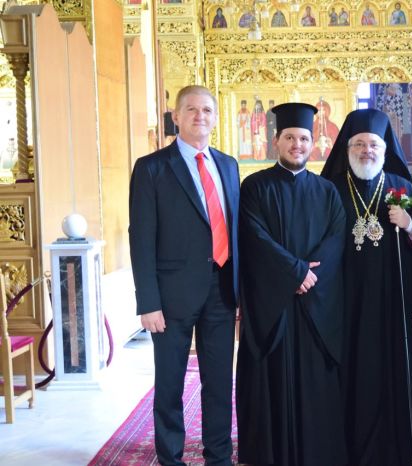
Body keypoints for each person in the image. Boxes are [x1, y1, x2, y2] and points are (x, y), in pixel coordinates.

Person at [321, 109, 412, 466]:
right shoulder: (331, 189)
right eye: (359, 144)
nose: (366, 150)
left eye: (373, 144)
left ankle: (396, 444)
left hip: (392, 301)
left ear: (385, 149)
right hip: (345, 301)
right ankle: (345, 446)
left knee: (391, 370)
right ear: (347, 149)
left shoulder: (400, 188)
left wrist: (410, 223)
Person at [129, 85, 240, 466]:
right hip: (171, 295)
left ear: (215, 117)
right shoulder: (152, 167)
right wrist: (148, 302)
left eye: (207, 110)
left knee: (219, 382)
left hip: (222, 290)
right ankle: (171, 457)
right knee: (170, 383)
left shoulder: (228, 165)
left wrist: (242, 290)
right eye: (191, 109)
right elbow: (141, 237)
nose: (199, 116)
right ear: (175, 117)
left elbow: (235, 230)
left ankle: (219, 456)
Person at [236, 103, 347, 466]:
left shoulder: (327, 191)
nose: (297, 145)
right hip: (274, 304)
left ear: (313, 143)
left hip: (316, 303)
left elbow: (336, 238)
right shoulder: (255, 187)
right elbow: (254, 236)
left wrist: (309, 276)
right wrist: (295, 271)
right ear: (276, 141)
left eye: (303, 138)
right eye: (289, 138)